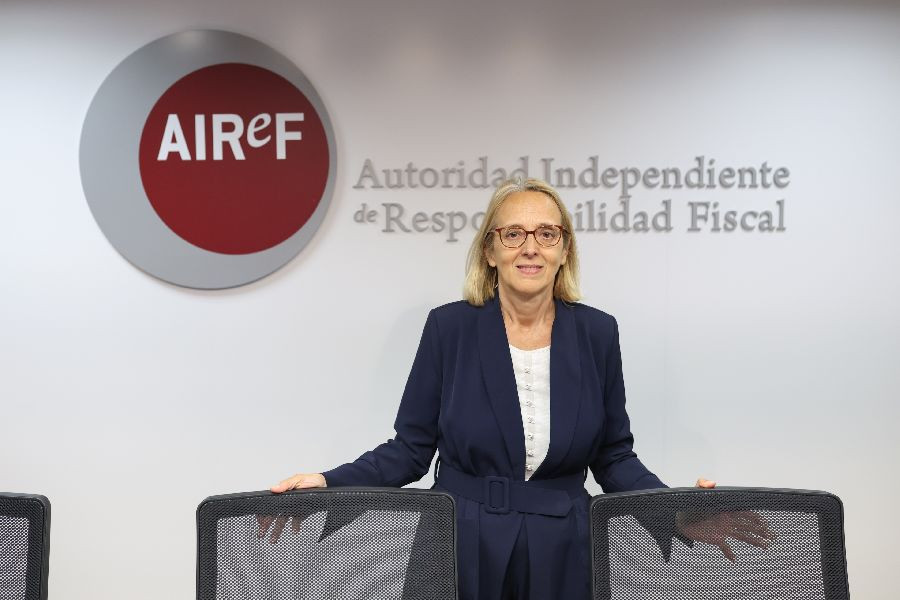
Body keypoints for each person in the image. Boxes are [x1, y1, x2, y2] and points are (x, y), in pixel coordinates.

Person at [264, 178, 772, 599]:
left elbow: (614, 456)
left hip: (564, 548)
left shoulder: (598, 332)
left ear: (564, 250)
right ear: (489, 250)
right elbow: (410, 450)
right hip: (459, 541)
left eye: (547, 234)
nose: (530, 247)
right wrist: (328, 482)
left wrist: (674, 508)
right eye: (513, 234)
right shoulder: (449, 328)